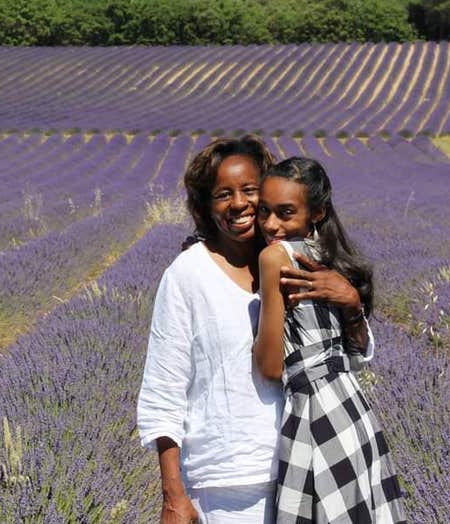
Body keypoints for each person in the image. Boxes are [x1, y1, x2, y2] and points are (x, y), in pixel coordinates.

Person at [136, 137, 373, 523]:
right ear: (205, 205)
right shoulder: (187, 275)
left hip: (306, 467)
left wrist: (351, 304)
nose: (239, 204)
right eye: (222, 194)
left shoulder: (298, 260)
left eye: (249, 191)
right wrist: (173, 495)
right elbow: (163, 391)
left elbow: (354, 357)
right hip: (224, 483)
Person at [253, 157, 405, 523]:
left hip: (315, 412)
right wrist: (353, 302)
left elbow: (271, 367)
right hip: (352, 409)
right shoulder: (328, 258)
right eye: (264, 211)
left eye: (285, 213)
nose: (271, 224)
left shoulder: (275, 257)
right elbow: (357, 354)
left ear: (317, 213)